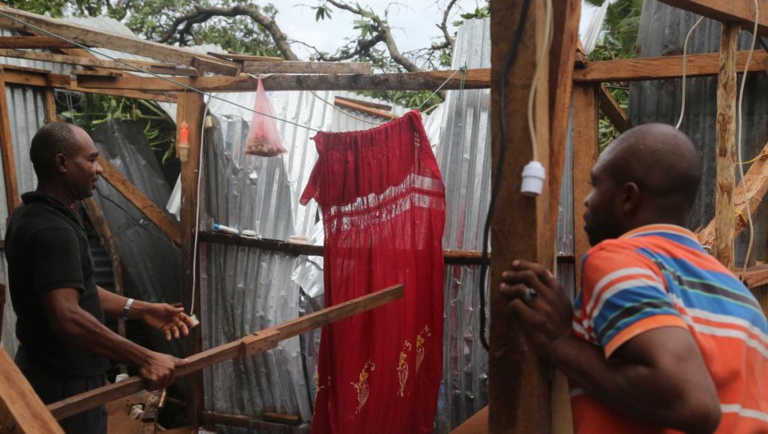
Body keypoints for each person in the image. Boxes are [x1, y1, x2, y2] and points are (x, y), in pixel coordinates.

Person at [501, 123, 768, 433]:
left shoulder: (618, 260)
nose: (587, 200)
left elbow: (693, 403)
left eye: (595, 185)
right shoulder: (744, 300)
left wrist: (560, 341)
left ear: (628, 197)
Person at [5, 122, 198, 434]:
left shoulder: (29, 215)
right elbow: (66, 315)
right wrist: (144, 355)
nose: (99, 170)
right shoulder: (53, 229)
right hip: (65, 383)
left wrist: (143, 309)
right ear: (61, 163)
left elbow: (73, 290)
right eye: (91, 159)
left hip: (50, 372)